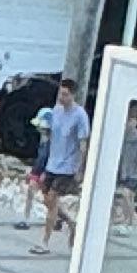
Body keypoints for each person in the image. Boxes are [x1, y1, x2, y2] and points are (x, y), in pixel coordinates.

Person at [33, 84, 91, 248]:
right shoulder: (56, 111)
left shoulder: (80, 116)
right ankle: (71, 223)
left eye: (65, 95)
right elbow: (52, 135)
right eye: (60, 94)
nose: (61, 98)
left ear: (72, 95)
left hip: (67, 166)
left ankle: (45, 242)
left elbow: (83, 144)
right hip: (52, 163)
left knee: (52, 198)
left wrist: (81, 168)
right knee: (48, 200)